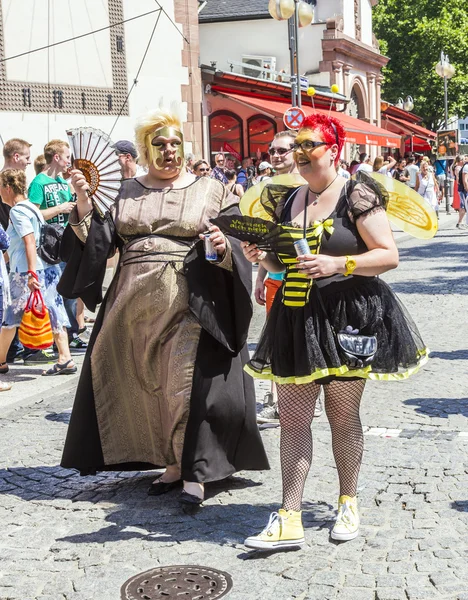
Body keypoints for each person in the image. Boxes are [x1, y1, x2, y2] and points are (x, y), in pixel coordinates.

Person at [59, 111, 269, 511]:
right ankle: (170, 464)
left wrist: (225, 248)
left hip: (189, 300)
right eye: (159, 145)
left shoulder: (211, 189)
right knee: (145, 382)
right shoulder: (124, 192)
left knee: (182, 385)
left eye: (175, 144)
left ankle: (194, 471)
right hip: (130, 304)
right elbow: (100, 247)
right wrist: (85, 201)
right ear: (145, 150)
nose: (168, 151)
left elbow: (238, 242)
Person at [241, 114, 427, 550]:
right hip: (295, 316)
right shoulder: (288, 200)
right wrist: (261, 257)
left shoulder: (357, 193)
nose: (302, 156)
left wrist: (338, 263)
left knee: (343, 416)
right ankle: (289, 513)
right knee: (293, 418)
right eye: (297, 148)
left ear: (334, 150)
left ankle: (348, 500)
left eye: (311, 147)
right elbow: (284, 266)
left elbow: (388, 255)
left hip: (350, 316)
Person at [0, 169, 75, 376]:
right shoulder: (31, 209)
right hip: (46, 269)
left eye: (0, 188)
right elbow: (15, 246)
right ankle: (65, 358)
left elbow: (29, 241)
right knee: (54, 311)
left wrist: (32, 274)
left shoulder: (17, 211)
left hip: (26, 273)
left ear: (7, 188)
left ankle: (0, 361)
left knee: (10, 318)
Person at [28, 139, 88, 352]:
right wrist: (60, 208)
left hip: (67, 242)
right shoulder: (38, 183)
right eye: (67, 157)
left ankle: (71, 333)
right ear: (56, 157)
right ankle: (55, 338)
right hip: (49, 246)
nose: (69, 162)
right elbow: (33, 215)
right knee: (53, 292)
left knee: (70, 291)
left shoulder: (65, 183)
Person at [456, 155, 468, 229]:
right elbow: (464, 180)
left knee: (464, 206)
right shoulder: (465, 167)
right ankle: (460, 222)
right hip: (463, 190)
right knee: (463, 206)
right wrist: (466, 189)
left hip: (463, 189)